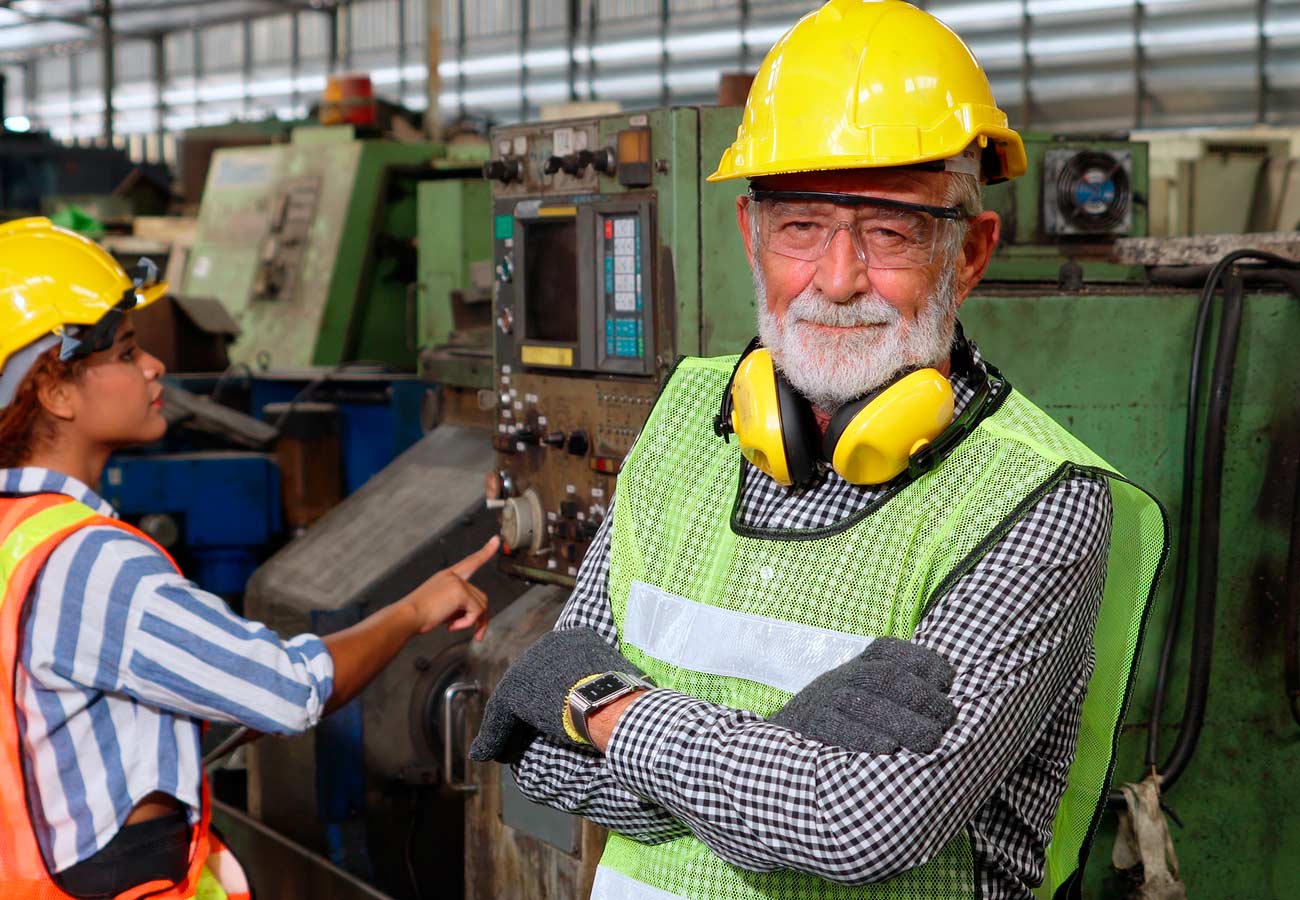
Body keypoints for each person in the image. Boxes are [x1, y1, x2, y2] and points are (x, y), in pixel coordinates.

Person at [468, 2, 1167, 899]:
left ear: (970, 254)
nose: (838, 281)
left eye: (890, 233)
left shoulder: (1038, 498)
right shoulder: (685, 420)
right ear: (751, 239)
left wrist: (608, 710)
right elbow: (543, 759)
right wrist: (787, 767)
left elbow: (867, 825)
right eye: (801, 227)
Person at [0, 217, 500, 899]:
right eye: (123, 353)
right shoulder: (92, 562)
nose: (153, 367)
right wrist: (412, 610)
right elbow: (289, 690)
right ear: (54, 391)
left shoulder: (16, 537)